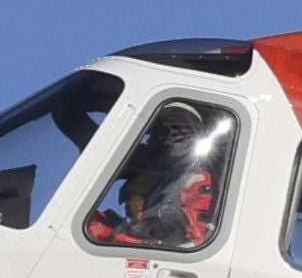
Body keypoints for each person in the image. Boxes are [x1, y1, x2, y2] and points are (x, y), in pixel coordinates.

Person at [87, 103, 218, 248]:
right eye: (164, 132)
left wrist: (133, 230)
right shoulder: (157, 181)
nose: (172, 136)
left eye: (180, 130)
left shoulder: (197, 179)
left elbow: (190, 233)